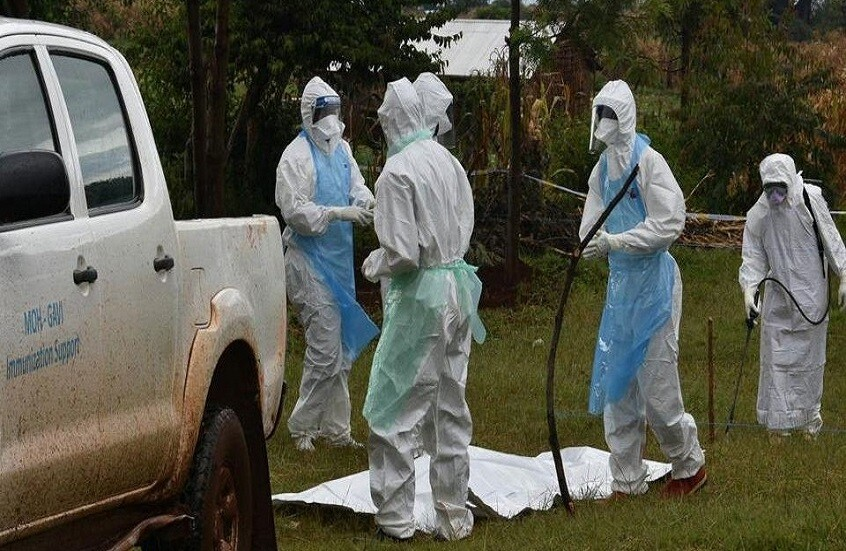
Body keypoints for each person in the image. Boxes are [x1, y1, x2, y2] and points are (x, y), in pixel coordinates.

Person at [361, 78, 485, 541]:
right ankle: (454, 517)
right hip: (458, 288)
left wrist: (376, 263)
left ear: (389, 122)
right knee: (449, 406)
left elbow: (404, 254)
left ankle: (395, 521)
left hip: (422, 298)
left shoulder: (396, 173)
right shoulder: (448, 161)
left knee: (394, 407)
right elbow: (464, 224)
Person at [580, 80, 707, 498]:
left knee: (657, 386)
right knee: (618, 386)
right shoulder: (602, 172)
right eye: (600, 113)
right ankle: (627, 479)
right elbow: (590, 225)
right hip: (621, 290)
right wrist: (591, 244)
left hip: (655, 284)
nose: (604, 122)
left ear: (626, 117)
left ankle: (688, 467)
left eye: (611, 113)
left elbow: (669, 222)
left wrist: (618, 241)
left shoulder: (649, 163)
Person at [275, 76, 379, 452]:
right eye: (324, 112)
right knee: (324, 348)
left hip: (337, 261)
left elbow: (356, 185)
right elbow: (294, 211)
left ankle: (336, 430)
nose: (330, 120)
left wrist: (364, 201)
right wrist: (336, 213)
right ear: (310, 114)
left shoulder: (343, 150)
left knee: (342, 349)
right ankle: (302, 426)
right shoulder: (296, 157)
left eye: (334, 110)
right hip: (307, 261)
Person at [738, 153, 846, 439]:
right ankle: (778, 426)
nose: (775, 195)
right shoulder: (759, 214)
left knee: (810, 364)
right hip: (779, 299)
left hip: (812, 298)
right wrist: (749, 290)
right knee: (776, 362)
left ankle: (809, 421)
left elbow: (832, 240)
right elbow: (753, 258)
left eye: (780, 187)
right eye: (769, 188)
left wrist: (844, 274)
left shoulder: (810, 199)